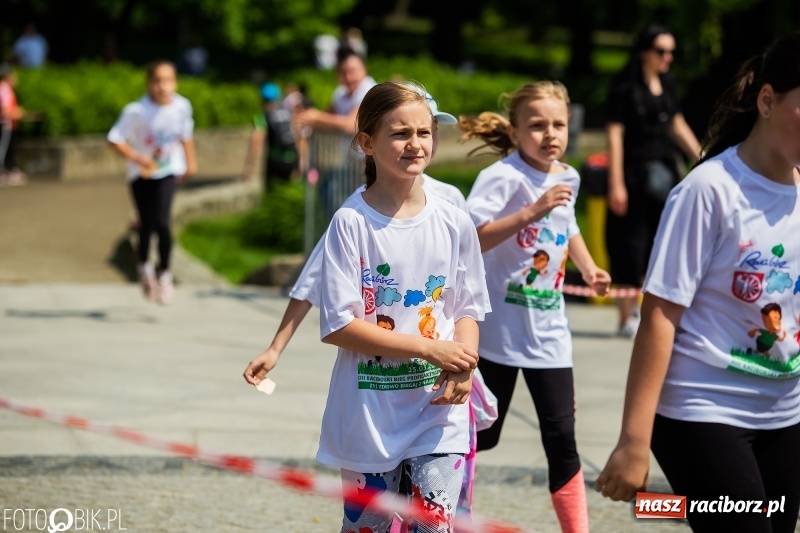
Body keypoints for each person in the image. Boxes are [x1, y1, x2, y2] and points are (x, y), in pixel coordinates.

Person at [243, 87, 497, 532]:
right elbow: (338, 324)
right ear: (366, 143)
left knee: (435, 527)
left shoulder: (454, 219)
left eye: (424, 132)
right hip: (369, 412)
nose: (415, 144)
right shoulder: (351, 221)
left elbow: (468, 307)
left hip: (437, 411)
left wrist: (464, 365)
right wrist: (428, 348)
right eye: (400, 134)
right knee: (370, 527)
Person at [595, 32, 800, 533]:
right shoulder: (708, 190)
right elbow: (660, 315)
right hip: (702, 407)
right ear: (767, 100)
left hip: (785, 412)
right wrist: (633, 442)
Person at [459, 81, 611, 533]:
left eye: (559, 125)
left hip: (549, 335)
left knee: (562, 439)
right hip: (497, 335)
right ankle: (444, 514)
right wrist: (531, 211)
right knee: (482, 435)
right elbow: (471, 239)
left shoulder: (569, 176)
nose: (550, 134)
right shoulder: (501, 177)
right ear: (515, 131)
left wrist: (589, 267)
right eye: (538, 125)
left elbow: (568, 226)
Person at [604, 24, 702, 338]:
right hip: (632, 176)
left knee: (659, 244)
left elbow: (677, 124)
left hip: (662, 177)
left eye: (671, 51)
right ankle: (625, 316)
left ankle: (650, 314)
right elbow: (614, 135)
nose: (667, 57)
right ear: (644, 52)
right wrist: (616, 183)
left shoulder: (668, 83)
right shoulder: (624, 86)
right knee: (629, 243)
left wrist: (704, 158)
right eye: (661, 51)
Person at [107, 60, 197, 305]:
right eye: (157, 81)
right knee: (146, 224)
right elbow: (114, 139)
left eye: (168, 81)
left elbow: (185, 135)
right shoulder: (137, 110)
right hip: (141, 175)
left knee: (162, 223)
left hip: (168, 170)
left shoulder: (182, 106)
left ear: (175, 83)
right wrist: (137, 157)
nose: (162, 86)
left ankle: (164, 273)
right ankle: (145, 268)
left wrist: (191, 163)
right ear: (148, 83)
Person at [242, 82, 299, 189]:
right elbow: (298, 137)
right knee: (290, 191)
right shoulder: (289, 113)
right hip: (291, 159)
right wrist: (301, 164)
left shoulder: (263, 116)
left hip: (274, 161)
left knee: (273, 193)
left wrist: (249, 166)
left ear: (262, 99)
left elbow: (256, 141)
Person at [0, 63, 26, 186]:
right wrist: (18, 113)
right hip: (5, 124)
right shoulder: (5, 89)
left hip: (7, 124)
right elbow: (5, 110)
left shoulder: (5, 89)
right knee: (3, 149)